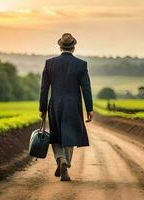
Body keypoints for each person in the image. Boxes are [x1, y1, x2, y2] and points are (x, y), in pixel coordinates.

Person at [39, 33, 93, 181]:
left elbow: (44, 88)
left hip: (55, 105)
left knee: (56, 136)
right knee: (70, 136)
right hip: (73, 106)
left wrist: (42, 109)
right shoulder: (81, 65)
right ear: (74, 47)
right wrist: (89, 109)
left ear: (60, 47)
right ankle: (66, 164)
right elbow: (86, 88)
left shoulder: (50, 63)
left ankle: (61, 159)